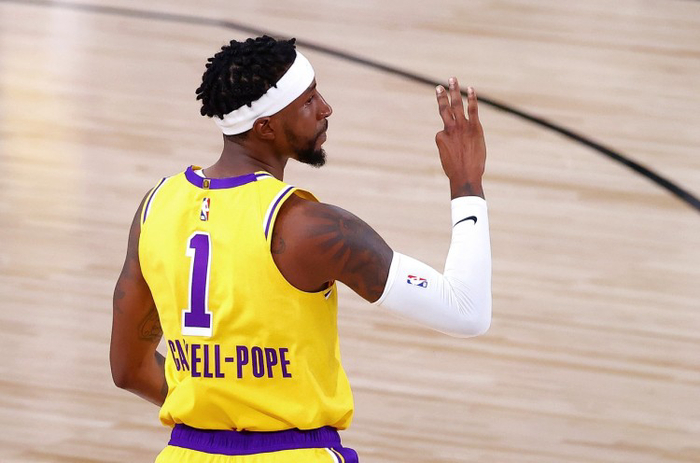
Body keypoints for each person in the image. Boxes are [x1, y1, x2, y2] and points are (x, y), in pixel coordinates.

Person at [110, 35, 491, 463]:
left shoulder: (156, 207)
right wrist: (466, 183)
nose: (326, 109)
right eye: (308, 101)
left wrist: (219, 410)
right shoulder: (309, 228)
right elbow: (466, 311)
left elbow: (128, 369)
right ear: (265, 127)